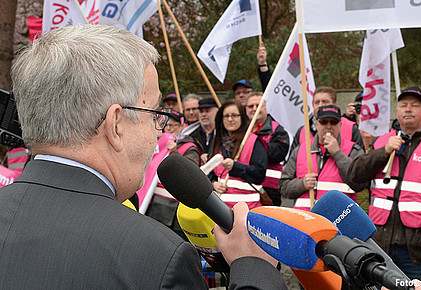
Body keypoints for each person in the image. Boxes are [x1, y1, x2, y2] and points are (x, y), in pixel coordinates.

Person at [2, 24, 285, 289]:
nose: (157, 134)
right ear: (115, 124)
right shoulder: (160, 258)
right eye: (156, 115)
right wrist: (255, 271)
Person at [348, 86, 421, 285]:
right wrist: (383, 152)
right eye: (403, 105)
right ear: (397, 112)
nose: (408, 109)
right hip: (381, 245)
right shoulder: (383, 142)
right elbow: (354, 177)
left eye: (415, 105)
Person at [280, 105, 366, 211]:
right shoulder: (301, 149)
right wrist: (301, 184)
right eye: (324, 122)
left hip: (338, 220)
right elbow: (283, 187)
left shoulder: (354, 150)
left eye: (333, 122)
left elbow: (359, 184)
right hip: (306, 220)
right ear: (316, 124)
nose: (328, 126)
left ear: (340, 125)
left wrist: (337, 153)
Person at [146, 110, 200, 238]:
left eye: (173, 125)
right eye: (166, 125)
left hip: (173, 213)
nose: (168, 129)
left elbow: (190, 174)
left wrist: (175, 153)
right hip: (154, 207)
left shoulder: (189, 147)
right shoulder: (157, 144)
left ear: (182, 127)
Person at [209, 99, 268, 210]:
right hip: (220, 210)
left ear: (242, 117)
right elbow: (208, 173)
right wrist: (212, 184)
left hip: (248, 208)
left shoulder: (254, 142)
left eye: (235, 115)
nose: (230, 119)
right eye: (226, 116)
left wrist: (235, 167)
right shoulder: (217, 142)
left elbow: (259, 174)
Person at [245, 92, 290, 206]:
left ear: (266, 108)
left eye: (259, 105)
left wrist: (254, 146)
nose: (255, 109)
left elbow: (279, 153)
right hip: (244, 187)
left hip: (269, 190)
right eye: (251, 106)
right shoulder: (241, 130)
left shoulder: (278, 130)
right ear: (245, 109)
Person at [290, 86, 364, 152]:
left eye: (325, 102)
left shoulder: (350, 128)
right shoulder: (302, 131)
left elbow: (359, 162)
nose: (320, 105)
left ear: (335, 104)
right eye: (317, 102)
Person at [190, 98, 218, 164]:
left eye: (207, 111)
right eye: (201, 111)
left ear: (217, 113)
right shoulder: (192, 135)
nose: (203, 114)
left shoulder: (223, 133)